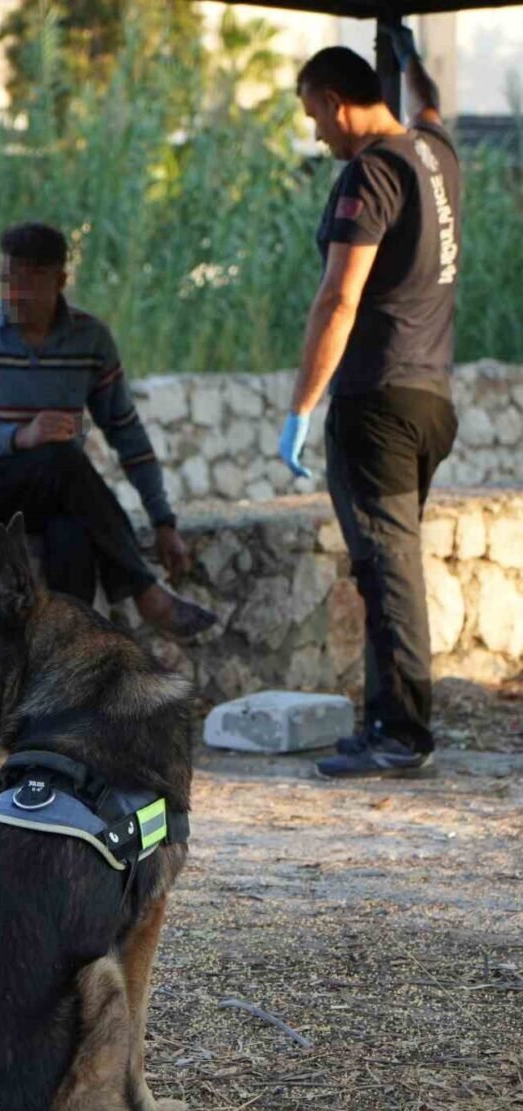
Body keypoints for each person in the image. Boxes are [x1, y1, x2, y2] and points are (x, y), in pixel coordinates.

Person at [280, 32, 459, 779]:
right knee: (389, 565)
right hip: (430, 398)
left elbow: (338, 296)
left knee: (387, 570)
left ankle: (402, 733)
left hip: (377, 402)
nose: (317, 134)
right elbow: (430, 104)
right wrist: (408, 55)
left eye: (314, 118)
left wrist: (301, 405)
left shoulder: (371, 171)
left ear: (335, 102)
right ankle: (386, 720)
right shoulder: (434, 153)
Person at [0, 223, 218, 639]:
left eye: (29, 282)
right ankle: (144, 591)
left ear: (60, 281)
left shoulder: (89, 339)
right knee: (62, 457)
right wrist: (20, 437)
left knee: (72, 531)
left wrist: (163, 520)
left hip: (60, 495)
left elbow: (126, 433)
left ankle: (68, 657)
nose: (14, 294)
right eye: (7, 280)